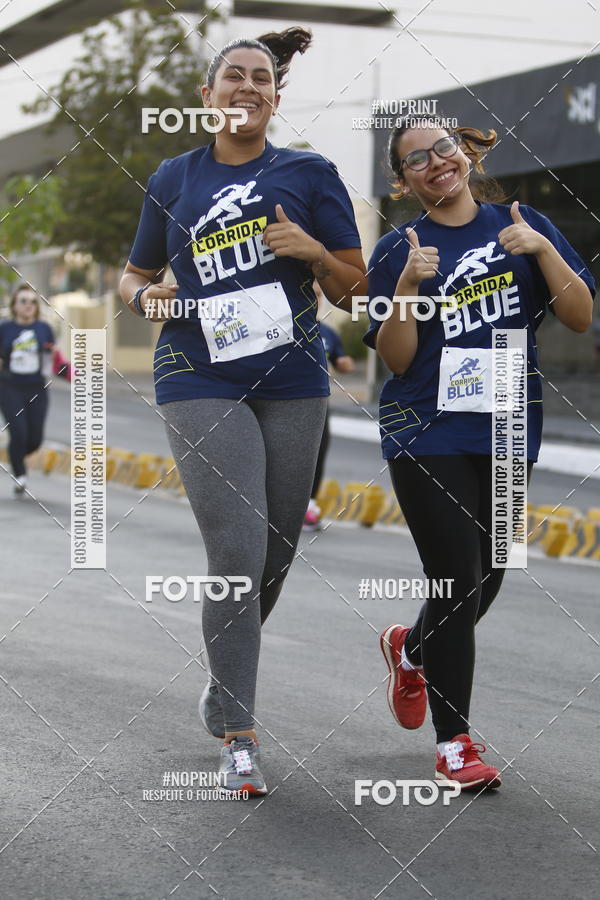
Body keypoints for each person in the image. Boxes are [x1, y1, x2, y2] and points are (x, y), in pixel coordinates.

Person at [119, 27, 366, 796]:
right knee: (236, 549)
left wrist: (311, 252)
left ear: (276, 96)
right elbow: (131, 278)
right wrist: (145, 295)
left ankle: (224, 678)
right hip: (196, 374)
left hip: (292, 378)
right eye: (235, 76)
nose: (249, 86)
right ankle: (239, 730)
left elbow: (352, 288)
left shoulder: (310, 173)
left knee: (275, 553)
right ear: (208, 96)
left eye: (262, 77)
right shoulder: (173, 176)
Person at [364, 118, 595, 791]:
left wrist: (541, 252)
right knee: (457, 578)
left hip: (505, 428)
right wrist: (407, 284)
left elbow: (580, 316)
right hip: (424, 429)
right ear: (403, 182)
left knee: (490, 574)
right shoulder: (395, 248)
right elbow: (397, 359)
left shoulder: (523, 222)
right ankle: (454, 744)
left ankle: (411, 650)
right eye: (417, 160)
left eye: (444, 148)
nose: (437, 162)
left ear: (462, 153)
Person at [0, 284, 66, 495]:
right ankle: (20, 474)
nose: (29, 305)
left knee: (34, 439)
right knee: (18, 432)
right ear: (14, 305)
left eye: (32, 302)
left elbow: (53, 358)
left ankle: (15, 455)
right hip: (10, 387)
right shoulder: (5, 329)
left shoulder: (44, 329)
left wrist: (73, 373)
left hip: (37, 387)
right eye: (23, 301)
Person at [304, 288, 355, 530]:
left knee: (317, 451)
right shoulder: (282, 325)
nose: (315, 299)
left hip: (317, 401)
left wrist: (345, 364)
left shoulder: (327, 333)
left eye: (319, 294)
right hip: (279, 399)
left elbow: (340, 360)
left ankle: (309, 506)